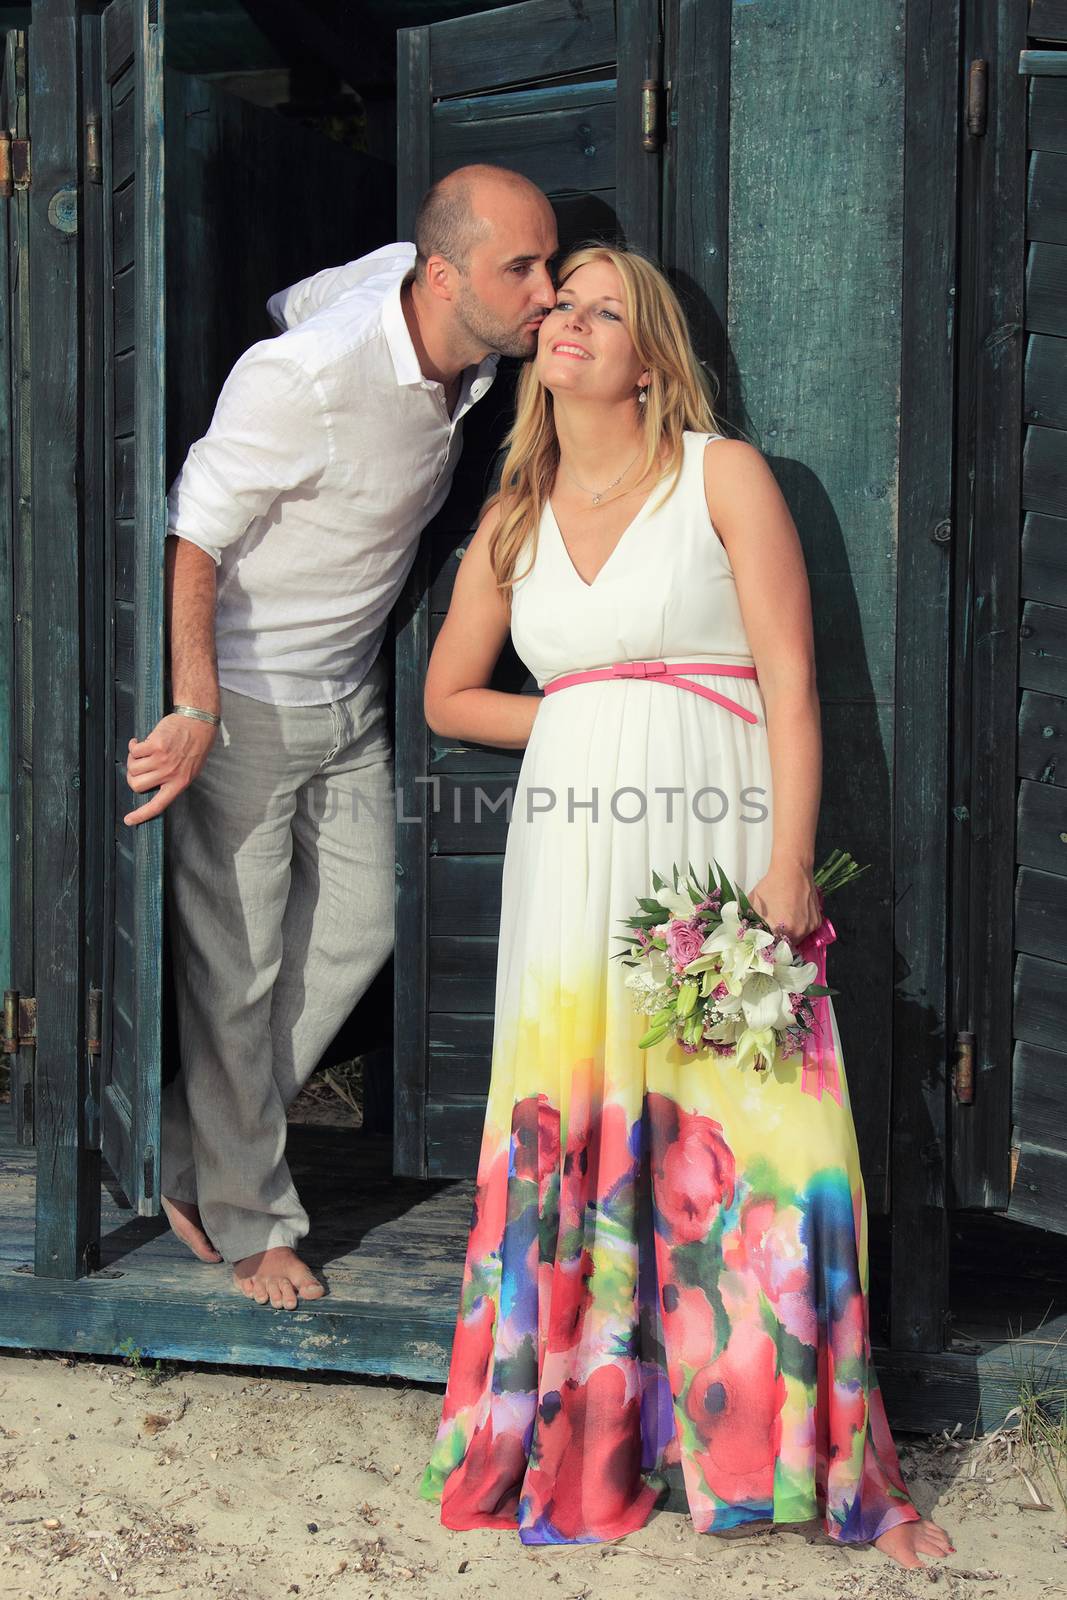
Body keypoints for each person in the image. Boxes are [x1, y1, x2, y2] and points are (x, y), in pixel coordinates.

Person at [417, 245, 955, 1567]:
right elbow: (446, 697)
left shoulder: (721, 473)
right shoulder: (512, 512)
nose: (569, 325)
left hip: (713, 842)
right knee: (576, 1115)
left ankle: (818, 1463)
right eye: (559, 306)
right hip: (568, 851)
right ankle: (585, 1446)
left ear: (650, 354)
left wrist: (784, 861)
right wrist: (593, 711)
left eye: (604, 311)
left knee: (758, 1131)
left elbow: (790, 675)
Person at [123, 164, 558, 1312]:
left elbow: (302, 293)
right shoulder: (299, 380)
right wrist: (197, 705)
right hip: (249, 707)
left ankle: (181, 1137)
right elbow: (194, 536)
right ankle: (253, 1219)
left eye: (549, 262)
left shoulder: (423, 317)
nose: (547, 291)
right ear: (447, 275)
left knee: (361, 926)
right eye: (523, 268)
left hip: (346, 698)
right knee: (239, 970)